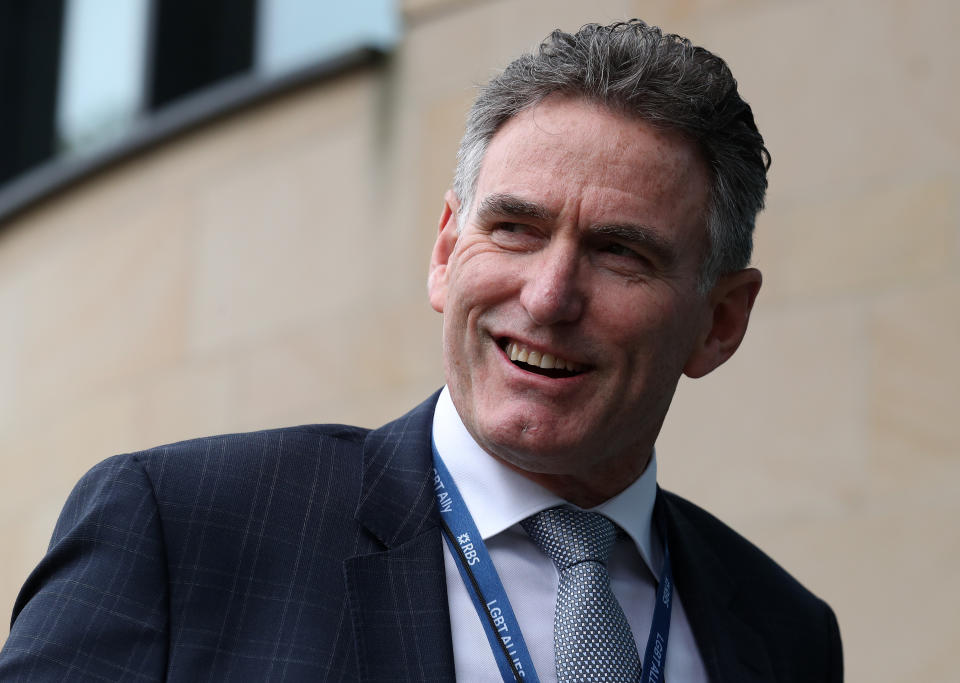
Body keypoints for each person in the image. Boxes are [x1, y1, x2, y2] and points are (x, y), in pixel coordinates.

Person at [0, 19, 842, 682]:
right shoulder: (185, 531)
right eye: (514, 228)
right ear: (446, 251)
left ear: (721, 321)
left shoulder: (781, 632)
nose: (549, 297)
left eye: (622, 252)